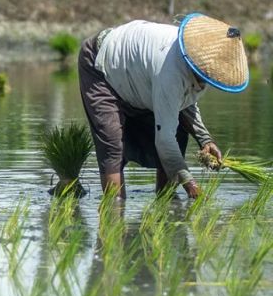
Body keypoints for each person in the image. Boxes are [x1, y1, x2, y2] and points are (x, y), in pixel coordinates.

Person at [78, 13, 249, 200]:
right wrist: (191, 185)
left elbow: (185, 103)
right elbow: (165, 140)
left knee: (179, 131)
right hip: (102, 66)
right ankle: (114, 208)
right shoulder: (170, 71)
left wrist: (205, 140)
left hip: (137, 76)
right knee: (112, 144)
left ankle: (165, 199)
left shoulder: (196, 65)